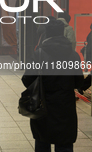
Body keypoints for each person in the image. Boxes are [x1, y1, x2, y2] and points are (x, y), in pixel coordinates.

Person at [22, 20, 84, 152]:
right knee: (64, 142)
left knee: (42, 140)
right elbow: (79, 83)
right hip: (65, 106)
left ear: (47, 34)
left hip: (43, 104)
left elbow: (27, 79)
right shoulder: (73, 55)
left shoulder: (39, 55)